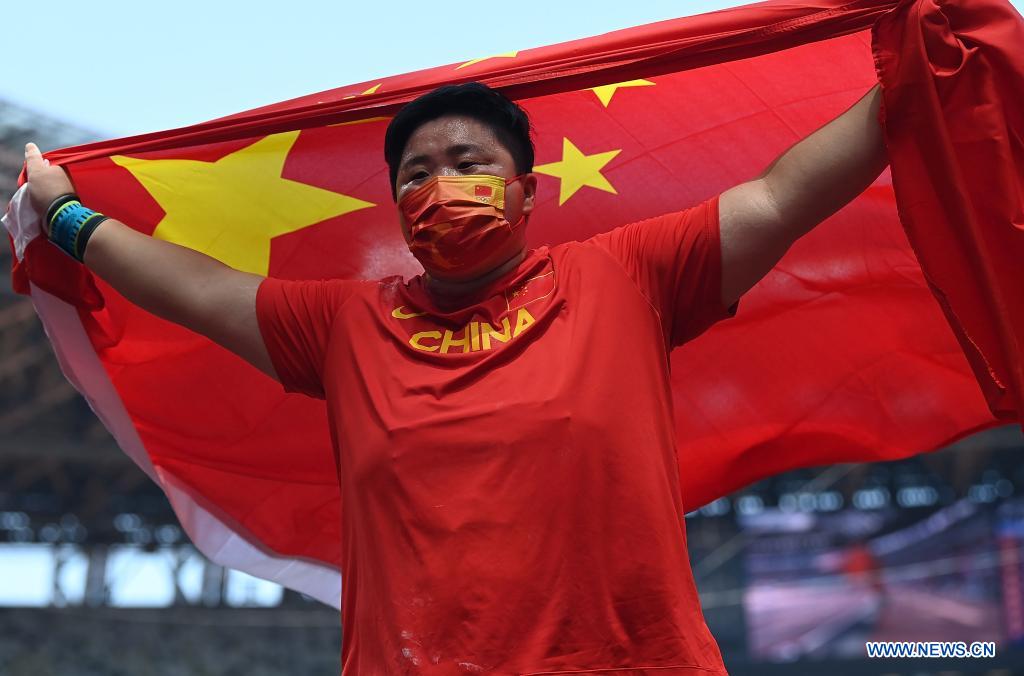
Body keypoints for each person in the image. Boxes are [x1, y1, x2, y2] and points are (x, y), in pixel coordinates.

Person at [23, 81, 888, 675]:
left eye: (471, 164)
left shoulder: (625, 276)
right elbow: (199, 288)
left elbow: (778, 199)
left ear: (527, 190)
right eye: (416, 174)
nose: (443, 185)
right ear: (397, 208)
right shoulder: (343, 326)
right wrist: (65, 217)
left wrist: (913, 82)